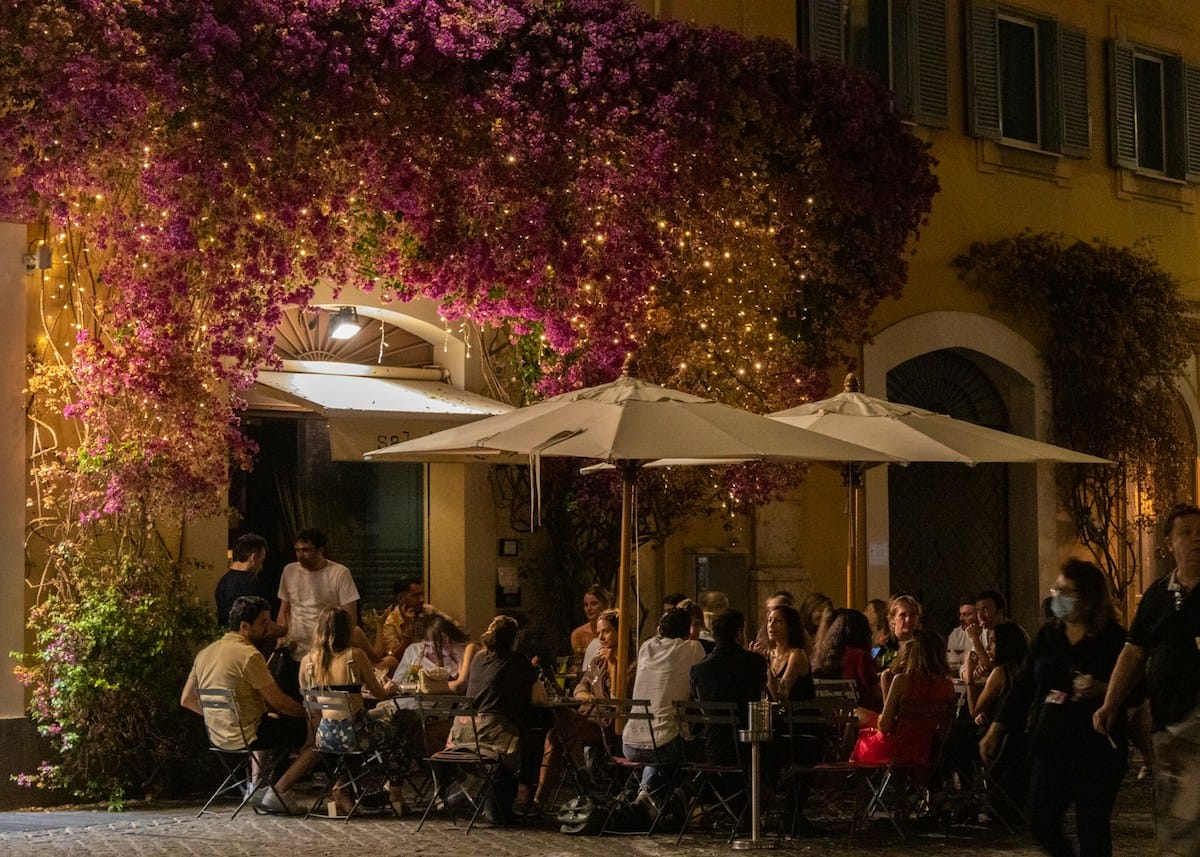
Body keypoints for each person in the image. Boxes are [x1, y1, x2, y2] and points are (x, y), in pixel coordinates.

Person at [982, 559, 1126, 857]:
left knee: (1092, 829)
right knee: (1040, 820)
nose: (1058, 597)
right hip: (1052, 742)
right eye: (1056, 589)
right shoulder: (1049, 636)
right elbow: (1022, 685)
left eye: (1066, 591)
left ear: (1086, 599)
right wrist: (998, 727)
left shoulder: (1112, 639)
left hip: (1095, 748)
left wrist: (1102, 689)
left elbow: (1134, 688)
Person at [1095, 502, 1200, 857]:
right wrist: (1111, 701)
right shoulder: (1158, 595)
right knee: (1175, 815)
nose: (1196, 540)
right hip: (1169, 723)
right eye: (1186, 533)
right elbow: (1134, 652)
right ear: (1169, 543)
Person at [180, 596, 320, 815]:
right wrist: (308, 714)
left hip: (218, 735)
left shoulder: (205, 654)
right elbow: (278, 702)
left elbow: (186, 699)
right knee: (317, 737)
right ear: (244, 626)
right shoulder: (248, 655)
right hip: (248, 733)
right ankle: (280, 790)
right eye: (263, 622)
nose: (269, 627)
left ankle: (255, 786)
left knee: (269, 721)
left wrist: (215, 716)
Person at [299, 607, 402, 814]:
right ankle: (396, 795)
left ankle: (341, 790)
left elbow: (310, 704)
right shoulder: (355, 656)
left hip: (324, 736)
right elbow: (380, 694)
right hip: (355, 733)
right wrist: (389, 688)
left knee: (353, 740)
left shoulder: (308, 662)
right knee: (400, 728)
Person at [534, 608, 634, 810]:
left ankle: (541, 799)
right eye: (598, 632)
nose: (600, 637)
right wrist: (592, 699)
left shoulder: (631, 664)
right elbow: (580, 688)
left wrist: (613, 664)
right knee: (555, 735)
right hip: (584, 719)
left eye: (606, 631)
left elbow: (617, 698)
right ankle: (543, 798)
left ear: (620, 632)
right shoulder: (597, 662)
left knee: (558, 730)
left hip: (608, 725)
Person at [449, 615, 545, 824]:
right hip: (492, 736)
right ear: (515, 638)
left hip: (463, 732)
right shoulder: (518, 660)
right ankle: (528, 795)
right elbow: (539, 698)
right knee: (535, 733)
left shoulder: (478, 658)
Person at [623, 607, 706, 808]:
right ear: (688, 632)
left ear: (659, 629)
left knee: (658, 745)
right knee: (710, 752)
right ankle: (678, 798)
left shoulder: (646, 647)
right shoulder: (692, 648)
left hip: (629, 744)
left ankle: (646, 798)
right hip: (664, 746)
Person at [277, 528, 362, 697]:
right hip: (297, 651)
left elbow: (349, 616)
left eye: (306, 550)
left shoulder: (339, 573)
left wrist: (343, 645)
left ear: (320, 550)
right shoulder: (290, 571)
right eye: (297, 550)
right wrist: (281, 636)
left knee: (325, 703)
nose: (300, 555)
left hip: (328, 653)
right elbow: (284, 609)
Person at [851, 628, 954, 766]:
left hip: (894, 751)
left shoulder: (903, 681)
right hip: (925, 752)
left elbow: (885, 726)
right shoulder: (947, 685)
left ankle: (845, 778)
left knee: (854, 715)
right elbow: (944, 730)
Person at [691, 608, 768, 763]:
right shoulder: (754, 662)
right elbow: (761, 696)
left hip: (713, 746)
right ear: (739, 633)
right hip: (748, 744)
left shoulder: (698, 668)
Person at [811, 608, 882, 711]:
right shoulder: (860, 656)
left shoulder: (821, 656)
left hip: (830, 718)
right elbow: (875, 695)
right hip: (859, 715)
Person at [375, 579, 444, 672]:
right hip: (406, 667)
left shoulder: (428, 611)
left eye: (422, 594)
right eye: (416, 595)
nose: (421, 599)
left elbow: (455, 628)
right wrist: (409, 631)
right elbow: (395, 657)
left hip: (432, 660)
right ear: (401, 599)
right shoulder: (390, 622)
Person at [214, 533, 275, 630]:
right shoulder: (253, 584)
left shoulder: (223, 582)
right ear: (253, 557)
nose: (261, 567)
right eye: (261, 561)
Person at [761, 603, 815, 702]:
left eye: (779, 621)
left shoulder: (796, 655)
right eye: (769, 620)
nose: (771, 625)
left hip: (798, 715)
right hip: (777, 714)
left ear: (790, 626)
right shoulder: (768, 654)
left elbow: (781, 696)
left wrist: (765, 667)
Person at [570, 585, 611, 671]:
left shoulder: (615, 631)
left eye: (594, 603)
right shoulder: (578, 634)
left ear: (605, 605)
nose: (589, 608)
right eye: (586, 605)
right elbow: (577, 666)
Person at [876, 593, 921, 670]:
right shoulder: (881, 648)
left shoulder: (923, 646)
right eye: (902, 615)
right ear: (893, 619)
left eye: (912, 615)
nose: (908, 620)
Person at [946, 597, 977, 676]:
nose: (961, 619)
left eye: (967, 615)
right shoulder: (956, 634)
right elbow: (952, 663)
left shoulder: (987, 633)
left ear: (978, 615)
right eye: (961, 615)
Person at [798, 592, 834, 657]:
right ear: (809, 611)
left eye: (826, 611)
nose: (824, 615)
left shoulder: (832, 635)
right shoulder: (801, 635)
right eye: (820, 610)